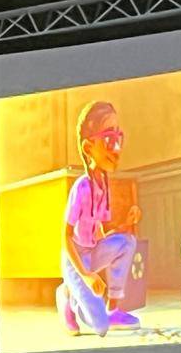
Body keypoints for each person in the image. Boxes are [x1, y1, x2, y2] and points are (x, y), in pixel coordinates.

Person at [56, 100, 140, 336]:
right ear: (88, 147)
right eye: (109, 140)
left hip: (92, 254)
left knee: (128, 241)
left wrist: (127, 223)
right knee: (100, 327)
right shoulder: (81, 188)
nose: (117, 148)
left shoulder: (103, 184)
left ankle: (113, 308)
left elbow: (102, 234)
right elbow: (65, 238)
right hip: (75, 260)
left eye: (119, 138)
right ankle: (66, 295)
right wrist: (86, 276)